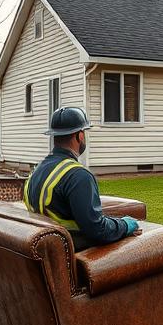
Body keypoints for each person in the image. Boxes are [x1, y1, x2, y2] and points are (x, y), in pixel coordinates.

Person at [23, 106, 140, 248]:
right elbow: (97, 230)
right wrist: (125, 225)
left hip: (47, 249)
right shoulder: (78, 176)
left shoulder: (37, 171)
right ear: (80, 135)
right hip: (72, 251)